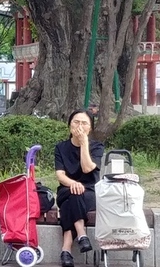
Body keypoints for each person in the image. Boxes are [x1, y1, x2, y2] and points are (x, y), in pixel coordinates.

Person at [54, 110, 104, 267]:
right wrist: (73, 183)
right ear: (69, 125)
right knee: (73, 194)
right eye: (76, 122)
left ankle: (66, 250)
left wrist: (84, 143)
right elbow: (60, 175)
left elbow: (88, 168)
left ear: (90, 128)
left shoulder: (97, 147)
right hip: (66, 188)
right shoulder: (61, 147)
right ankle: (82, 235)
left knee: (72, 201)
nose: (79, 126)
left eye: (84, 123)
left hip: (89, 191)